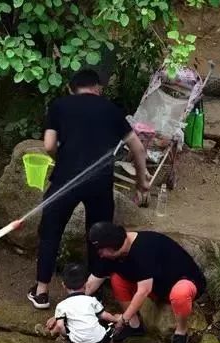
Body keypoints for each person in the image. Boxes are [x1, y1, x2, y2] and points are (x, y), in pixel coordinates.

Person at [28, 69, 149, 310]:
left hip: (66, 180)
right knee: (98, 233)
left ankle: (41, 291)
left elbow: (49, 144)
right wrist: (141, 182)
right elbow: (138, 148)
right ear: (97, 88)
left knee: (51, 231)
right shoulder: (111, 109)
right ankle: (93, 291)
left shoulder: (60, 105)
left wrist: (61, 156)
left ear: (71, 89)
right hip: (99, 181)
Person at [86, 221, 207, 343]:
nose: (99, 254)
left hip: (182, 281)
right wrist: (70, 308)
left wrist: (122, 319)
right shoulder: (108, 255)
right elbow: (91, 284)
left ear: (112, 246)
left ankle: (181, 332)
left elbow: (144, 290)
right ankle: (134, 325)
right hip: (156, 286)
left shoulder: (144, 248)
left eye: (101, 250)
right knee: (117, 279)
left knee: (180, 293)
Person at [44, 263, 122, 343]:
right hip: (99, 340)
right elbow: (105, 316)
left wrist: (65, 335)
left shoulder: (62, 305)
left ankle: (55, 335)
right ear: (85, 284)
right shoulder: (91, 300)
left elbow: (60, 325)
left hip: (77, 341)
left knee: (65, 322)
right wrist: (116, 319)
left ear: (63, 285)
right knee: (108, 325)